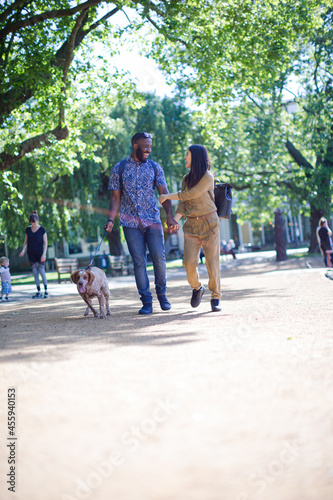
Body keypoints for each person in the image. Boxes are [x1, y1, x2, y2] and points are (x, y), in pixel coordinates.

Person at [105, 132, 178, 315]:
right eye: (145, 146)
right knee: (139, 262)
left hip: (152, 220)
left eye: (150, 146)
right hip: (130, 223)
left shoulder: (154, 167)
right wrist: (110, 220)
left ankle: (162, 295)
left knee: (159, 258)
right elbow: (115, 198)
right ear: (135, 145)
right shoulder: (119, 168)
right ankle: (146, 301)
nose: (149, 149)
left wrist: (169, 216)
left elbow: (164, 194)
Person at [159, 144, 222, 312]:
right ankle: (197, 288)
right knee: (188, 263)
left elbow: (190, 194)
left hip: (210, 224)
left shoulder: (208, 177)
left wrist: (166, 196)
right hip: (191, 225)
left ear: (196, 157)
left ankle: (215, 297)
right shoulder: (186, 179)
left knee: (212, 263)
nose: (184, 157)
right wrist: (174, 221)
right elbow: (183, 203)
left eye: (187, 154)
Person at [19, 211, 49, 298]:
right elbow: (26, 242)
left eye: (34, 222)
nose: (33, 224)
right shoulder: (28, 230)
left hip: (40, 253)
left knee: (42, 271)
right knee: (35, 272)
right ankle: (38, 291)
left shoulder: (42, 229)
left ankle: (46, 290)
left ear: (37, 220)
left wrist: (44, 254)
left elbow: (45, 243)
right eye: (32, 222)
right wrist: (23, 250)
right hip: (31, 253)